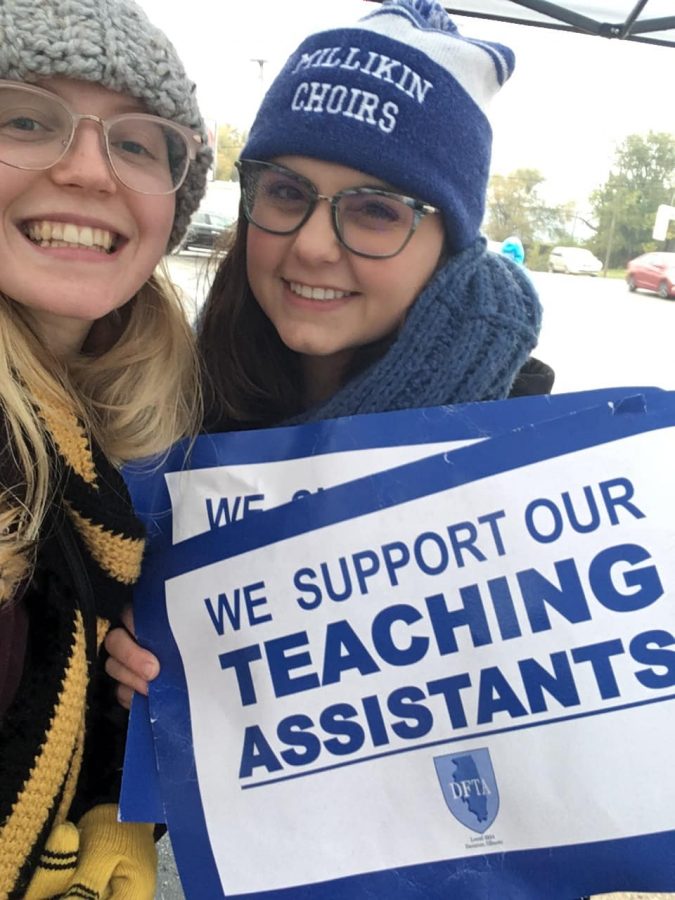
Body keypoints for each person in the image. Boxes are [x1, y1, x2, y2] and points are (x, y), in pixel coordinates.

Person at [106, 0, 553, 695]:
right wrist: (127, 653)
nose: (311, 246)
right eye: (286, 192)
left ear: (449, 249)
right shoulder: (161, 400)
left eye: (375, 210)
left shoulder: (532, 461)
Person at [0, 0, 211, 896]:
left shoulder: (142, 440)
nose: (87, 170)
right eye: (23, 117)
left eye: (135, 142)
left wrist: (116, 792)